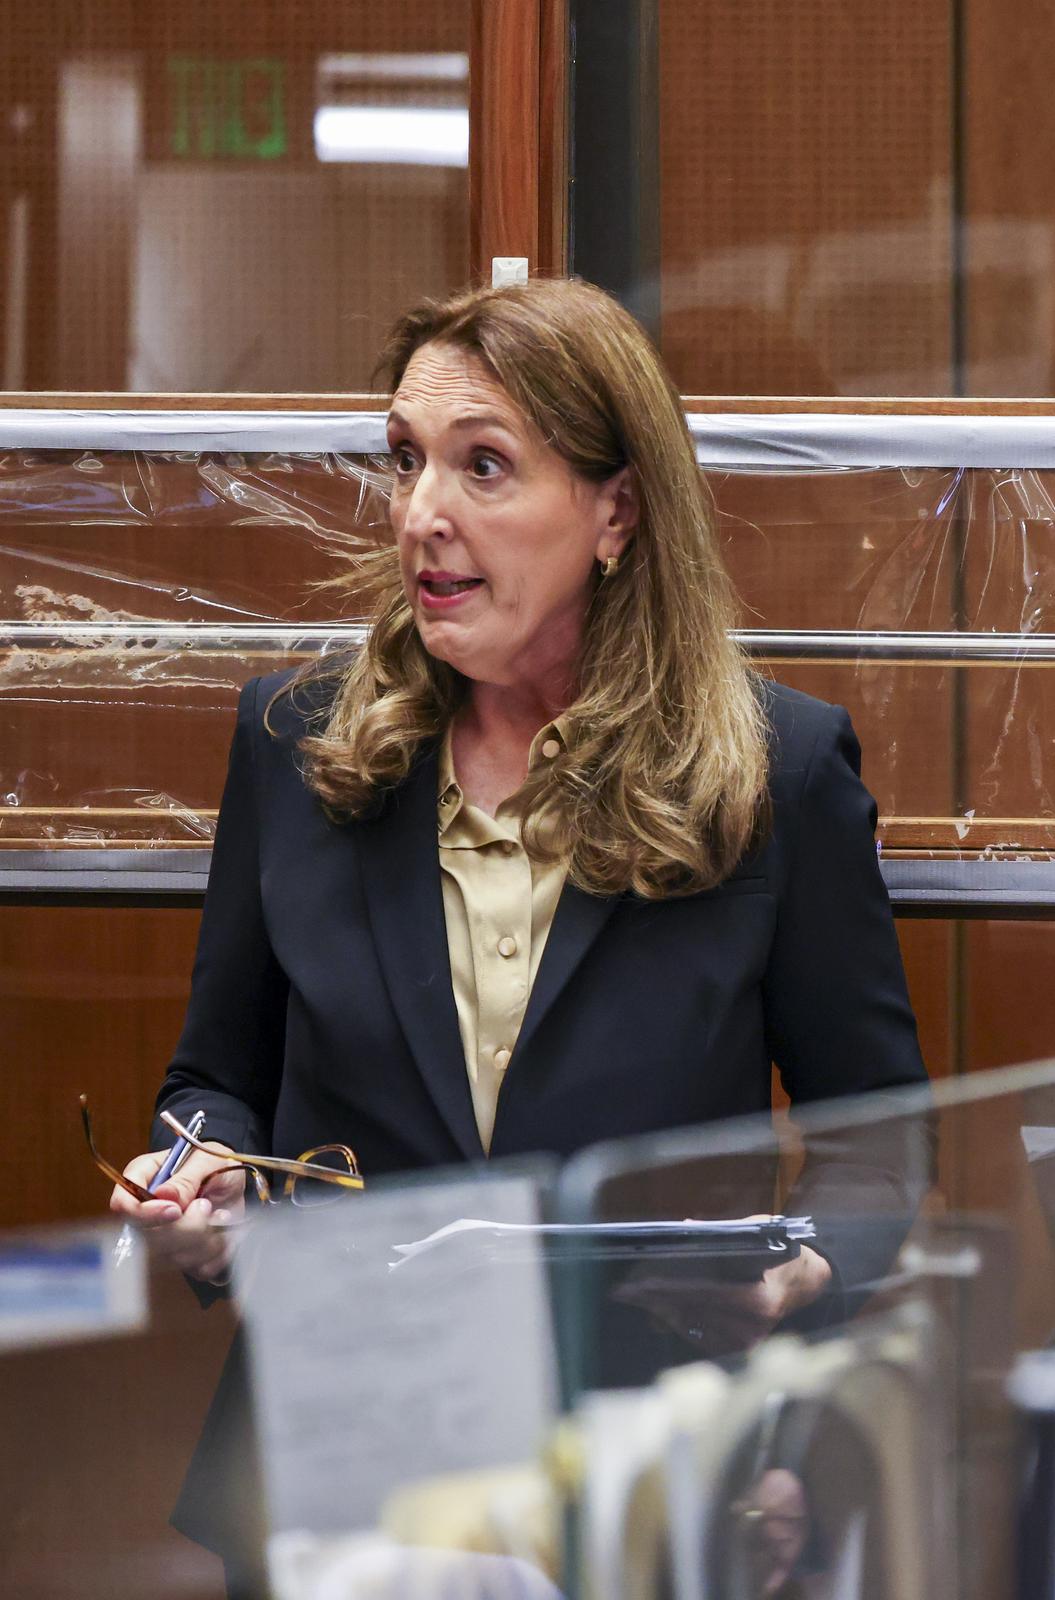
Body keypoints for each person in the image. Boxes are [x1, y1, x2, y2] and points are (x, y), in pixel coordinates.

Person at [101, 277, 928, 1592]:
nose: (424, 512)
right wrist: (201, 1187)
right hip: (339, 1471)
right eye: (407, 461)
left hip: (639, 1466)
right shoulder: (294, 748)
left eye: (485, 465)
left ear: (617, 510)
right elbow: (214, 1082)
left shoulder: (778, 772)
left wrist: (800, 1273)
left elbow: (881, 1141)